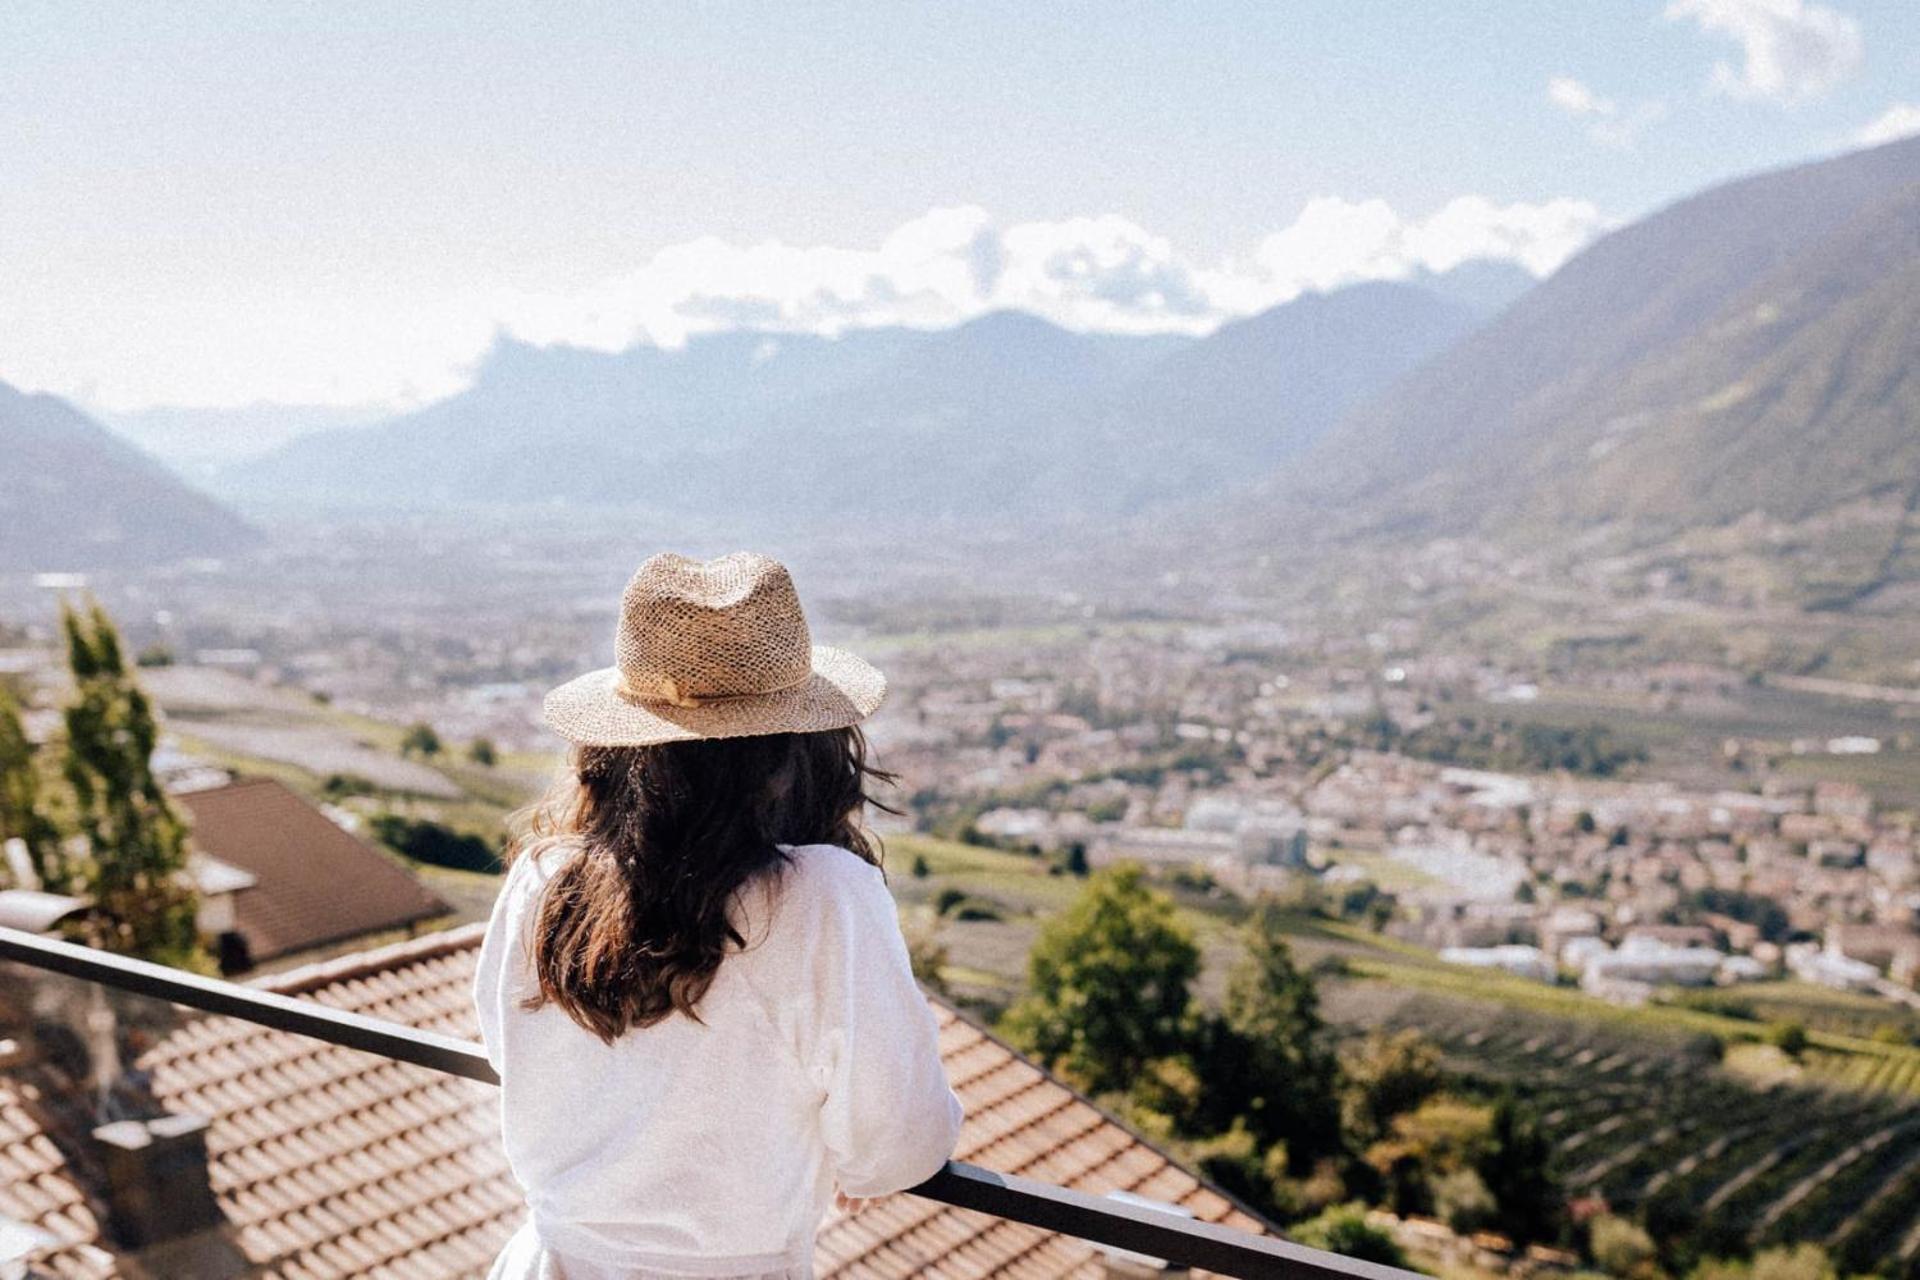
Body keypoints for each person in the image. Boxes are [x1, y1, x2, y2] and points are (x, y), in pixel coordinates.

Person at [477, 551, 963, 1279]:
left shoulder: (545, 879)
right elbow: (898, 1141)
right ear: (804, 748)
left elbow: (505, 1051)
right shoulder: (823, 897)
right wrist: (843, 1161)